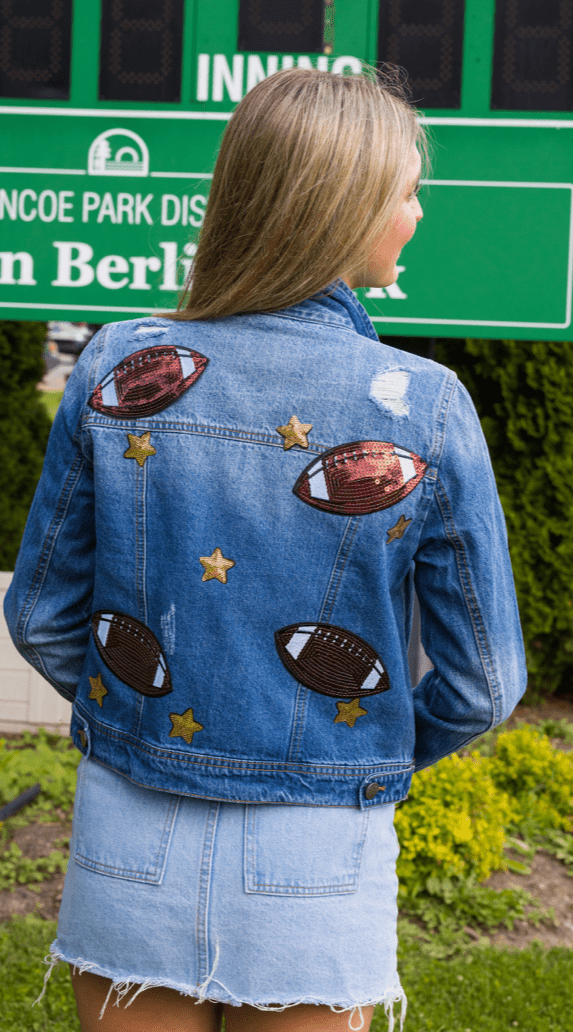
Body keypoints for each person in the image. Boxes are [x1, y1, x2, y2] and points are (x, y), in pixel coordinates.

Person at [4, 65, 527, 1032]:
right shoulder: (424, 405)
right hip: (317, 850)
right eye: (407, 190)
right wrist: (351, 753)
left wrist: (140, 717)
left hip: (130, 820)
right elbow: (481, 686)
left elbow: (39, 615)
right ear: (346, 205)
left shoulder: (120, 365)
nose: (417, 213)